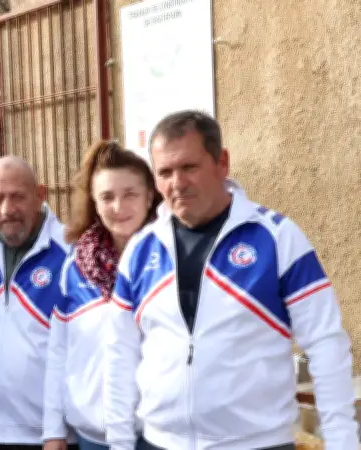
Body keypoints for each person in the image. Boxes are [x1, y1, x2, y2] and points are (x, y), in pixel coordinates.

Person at [104, 110, 358, 450]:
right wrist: (120, 442)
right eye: (165, 172)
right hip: (159, 442)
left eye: (189, 167)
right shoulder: (140, 251)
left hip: (257, 444)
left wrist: (342, 440)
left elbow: (326, 344)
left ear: (221, 162)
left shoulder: (277, 238)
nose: (177, 183)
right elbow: (120, 354)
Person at [43, 141, 161, 450]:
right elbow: (58, 351)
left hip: (158, 436)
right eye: (107, 197)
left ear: (150, 196)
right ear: (94, 203)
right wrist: (53, 431)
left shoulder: (168, 260)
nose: (118, 207)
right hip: (92, 436)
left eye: (130, 194)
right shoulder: (75, 267)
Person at [0, 156, 75, 449]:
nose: (7, 209)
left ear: (40, 195)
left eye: (18, 197)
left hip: (56, 437)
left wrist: (56, 431)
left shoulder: (72, 253)